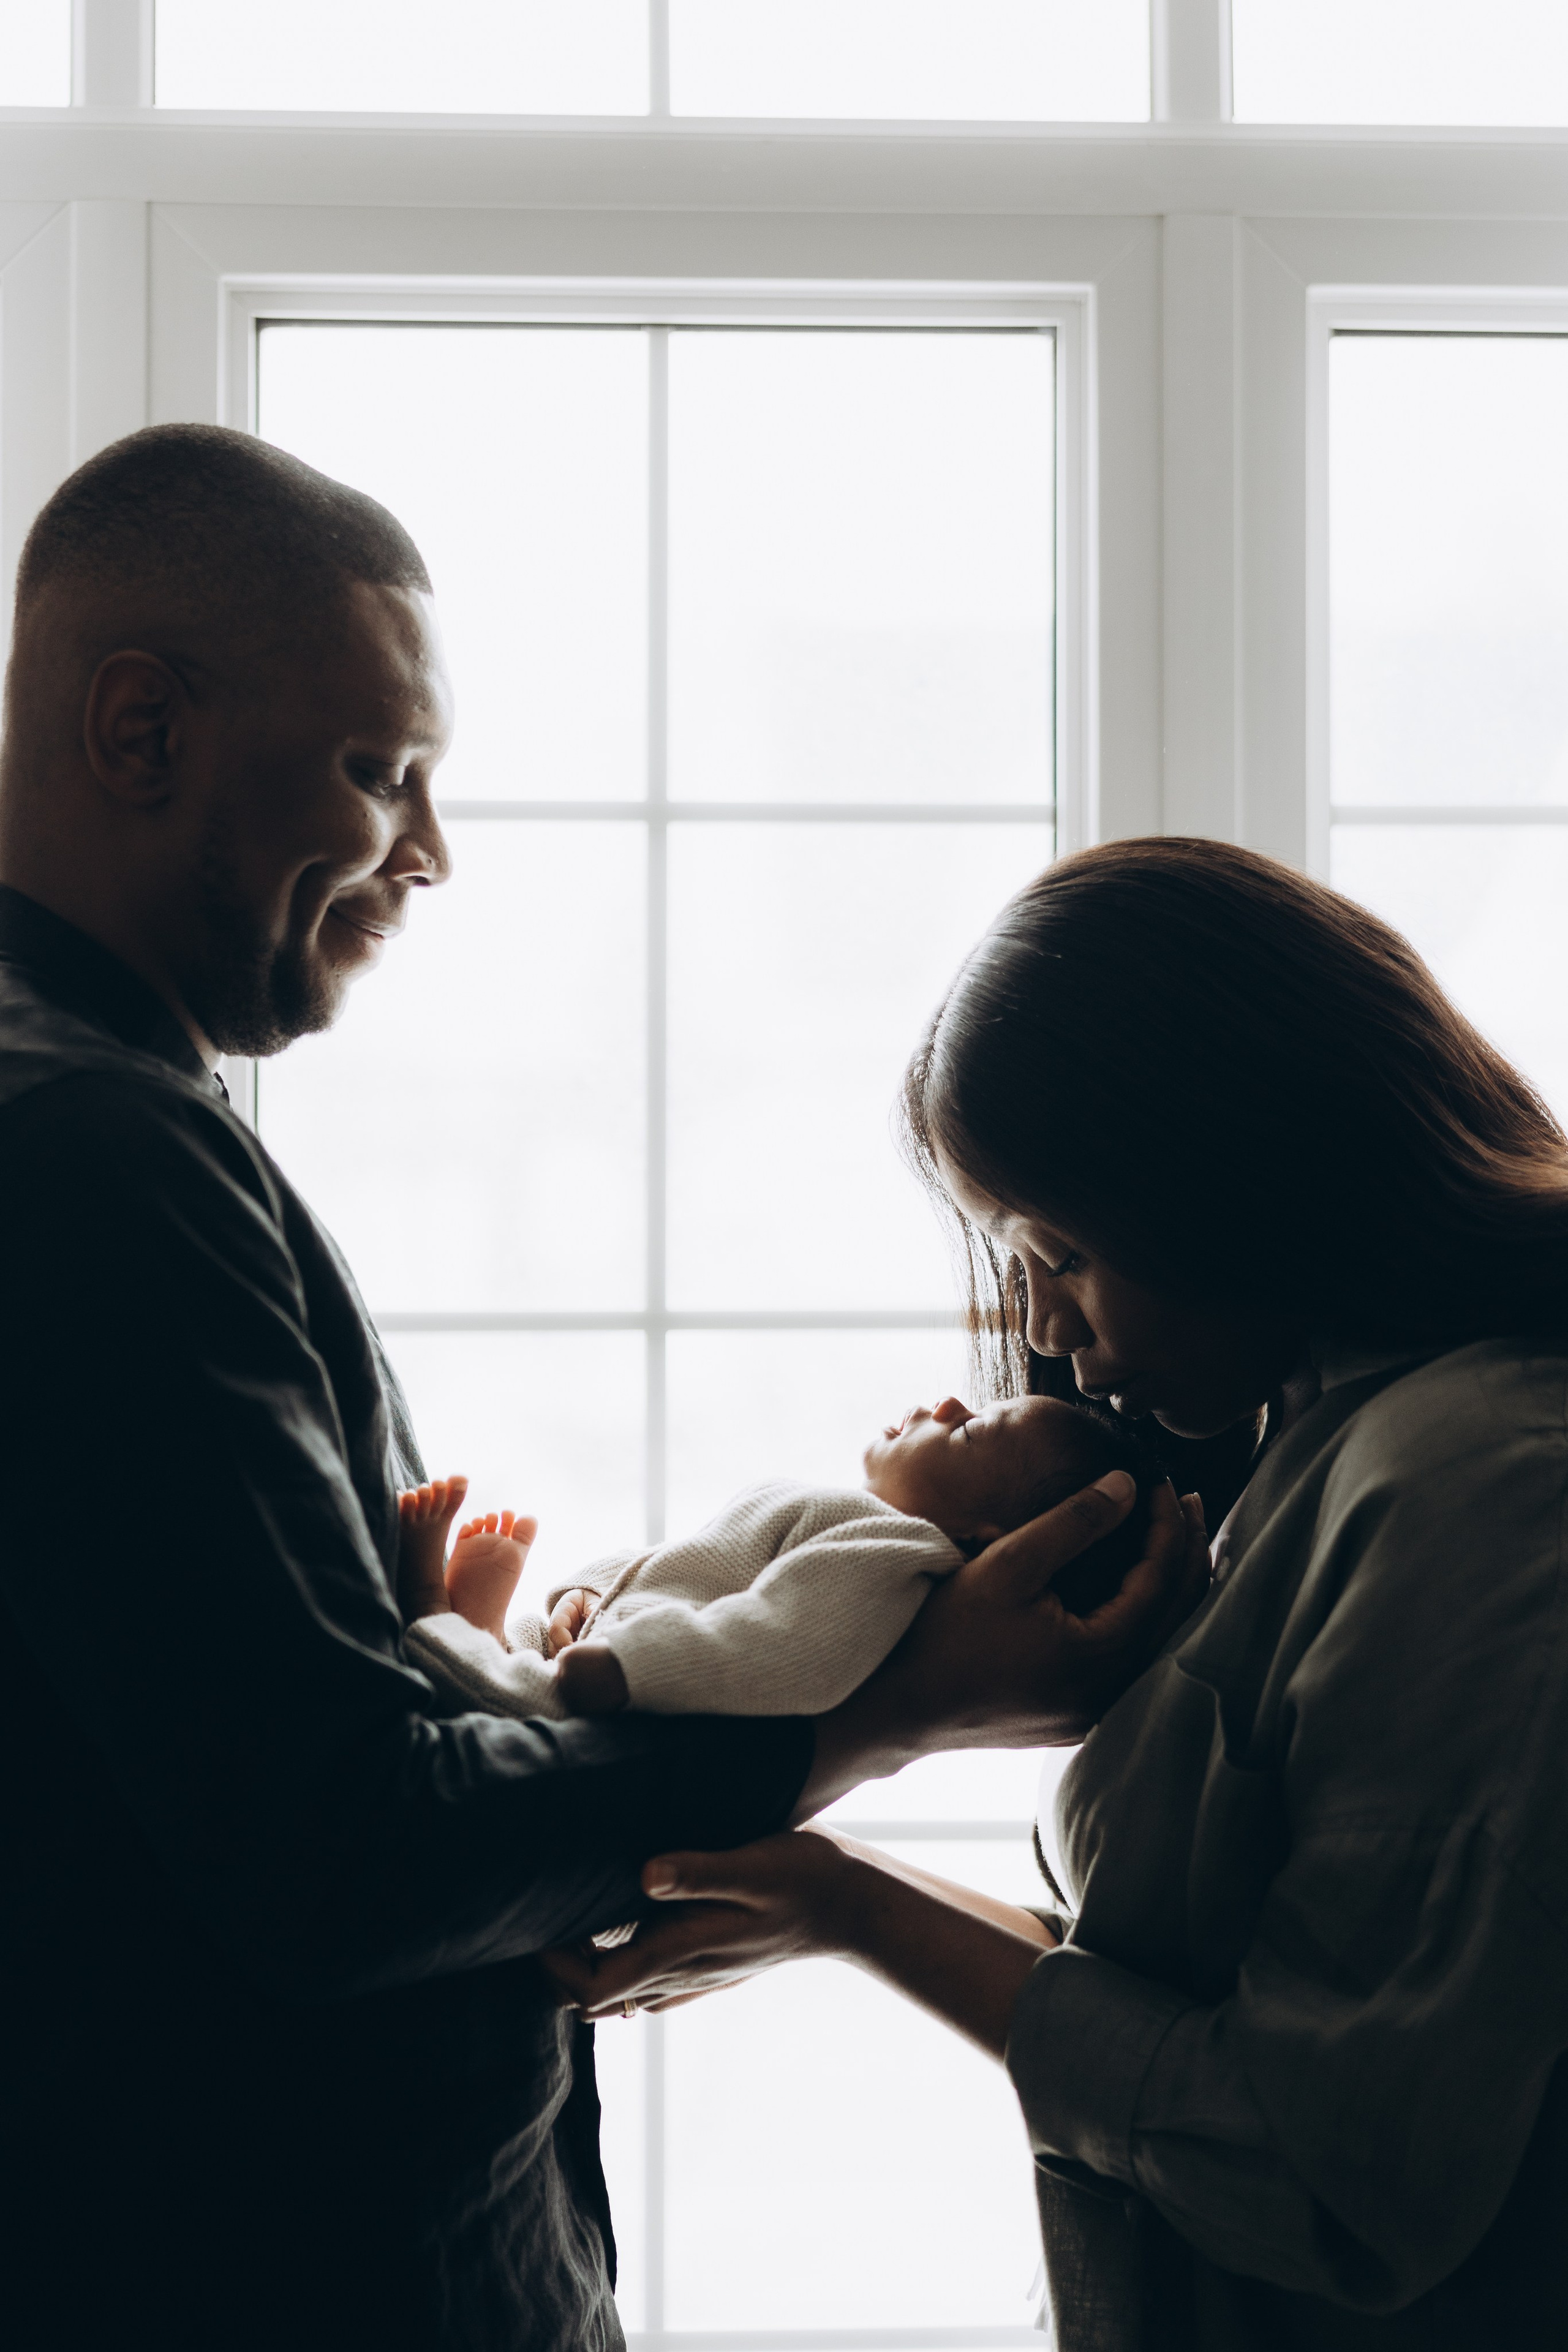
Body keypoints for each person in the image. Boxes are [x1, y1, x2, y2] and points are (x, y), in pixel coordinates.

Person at [0, 428, 1204, 2352]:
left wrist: (414, 1648)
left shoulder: (108, 1113)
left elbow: (205, 1765)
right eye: (378, 770)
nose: (428, 848)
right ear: (138, 728)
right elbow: (337, 1847)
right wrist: (902, 1695)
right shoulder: (88, 1147)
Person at [548, 839, 1568, 2351]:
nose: (1036, 1322)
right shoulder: (1323, 1440)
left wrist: (857, 1905)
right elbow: (1235, 1989)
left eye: (1063, 1252)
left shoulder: (1470, 1481)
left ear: (1227, 1175)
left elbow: (1325, 2173)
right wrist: (829, 1895)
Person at [398, 1396, 1157, 1719]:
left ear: (988, 1540)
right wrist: (592, 1591)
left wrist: (631, 1669)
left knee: (520, 1709)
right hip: (621, 1645)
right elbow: (690, 1564)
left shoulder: (892, 1555)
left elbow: (781, 1647)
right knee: (526, 1660)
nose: (946, 1407)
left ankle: (437, 1618)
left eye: (971, 1431)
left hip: (635, 1707)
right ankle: (494, 1630)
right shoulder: (850, 1523)